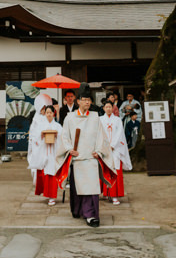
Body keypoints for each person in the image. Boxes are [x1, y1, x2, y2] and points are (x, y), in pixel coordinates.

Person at [56, 82, 115, 227]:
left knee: (91, 189)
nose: (87, 102)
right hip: (77, 158)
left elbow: (102, 137)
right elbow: (64, 137)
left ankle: (91, 215)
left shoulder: (95, 117)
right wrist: (70, 149)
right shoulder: (70, 118)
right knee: (78, 188)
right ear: (78, 101)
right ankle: (77, 210)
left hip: (91, 158)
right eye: (84, 100)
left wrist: (100, 151)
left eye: (89, 100)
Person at [27, 103, 63, 205]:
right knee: (44, 174)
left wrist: (57, 135)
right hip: (43, 152)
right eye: (47, 112)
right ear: (45, 114)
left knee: (52, 174)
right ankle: (46, 194)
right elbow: (34, 139)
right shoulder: (40, 125)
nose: (49, 114)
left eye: (50, 112)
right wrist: (41, 135)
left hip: (53, 153)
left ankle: (52, 197)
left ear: (54, 113)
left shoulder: (58, 126)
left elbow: (63, 138)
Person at [99, 101, 132, 205]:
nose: (108, 109)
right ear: (103, 108)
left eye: (110, 107)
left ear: (113, 108)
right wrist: (105, 146)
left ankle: (114, 195)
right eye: (106, 107)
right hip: (104, 149)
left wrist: (112, 145)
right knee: (105, 170)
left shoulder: (117, 120)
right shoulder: (100, 120)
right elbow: (99, 134)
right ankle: (107, 192)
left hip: (116, 148)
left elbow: (119, 134)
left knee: (115, 170)